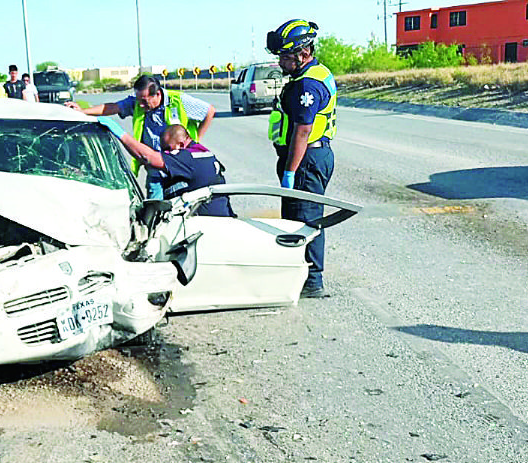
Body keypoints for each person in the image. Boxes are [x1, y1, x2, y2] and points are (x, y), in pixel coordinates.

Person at [266, 19, 337, 298]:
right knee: (298, 218)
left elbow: (302, 131)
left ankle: (312, 281)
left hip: (306, 159)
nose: (280, 62)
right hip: (309, 157)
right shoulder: (312, 73)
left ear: (303, 54)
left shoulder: (307, 84)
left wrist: (290, 171)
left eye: (285, 56)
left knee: (305, 220)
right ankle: (298, 273)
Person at [66, 74, 215, 200]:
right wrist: (83, 111)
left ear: (157, 94)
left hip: (178, 168)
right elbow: (113, 107)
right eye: (139, 100)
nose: (140, 105)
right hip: (155, 169)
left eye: (144, 101)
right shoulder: (137, 102)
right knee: (154, 212)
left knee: (180, 209)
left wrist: (196, 142)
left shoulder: (180, 101)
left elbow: (209, 111)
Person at [99, 120, 233, 217]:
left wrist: (121, 134)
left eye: (168, 149)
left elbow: (147, 157)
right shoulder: (201, 153)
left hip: (206, 224)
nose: (167, 154)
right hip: (214, 219)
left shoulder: (188, 158)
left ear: (181, 144)